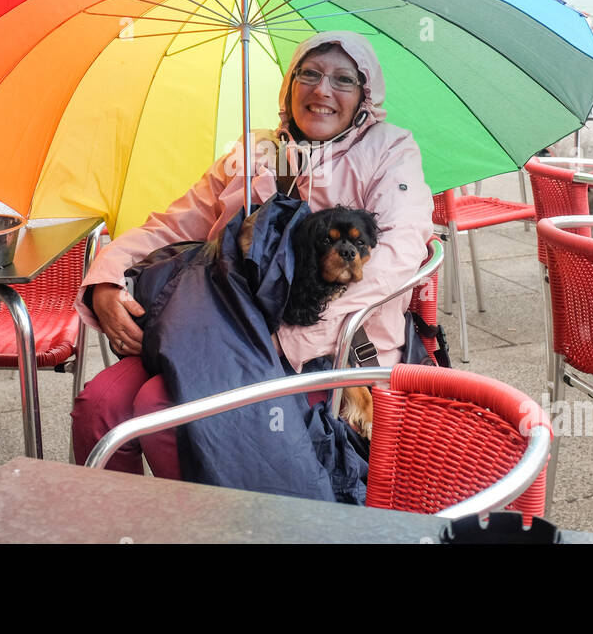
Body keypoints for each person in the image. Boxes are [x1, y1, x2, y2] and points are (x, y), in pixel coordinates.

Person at [71, 30, 435, 477]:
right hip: (225, 329)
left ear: (365, 95)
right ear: (289, 85)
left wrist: (291, 340)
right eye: (310, 73)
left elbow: (397, 256)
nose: (322, 90)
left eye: (343, 80)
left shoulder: (390, 151)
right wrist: (106, 279)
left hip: (329, 351)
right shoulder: (256, 150)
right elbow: (171, 226)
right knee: (100, 405)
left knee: (161, 411)